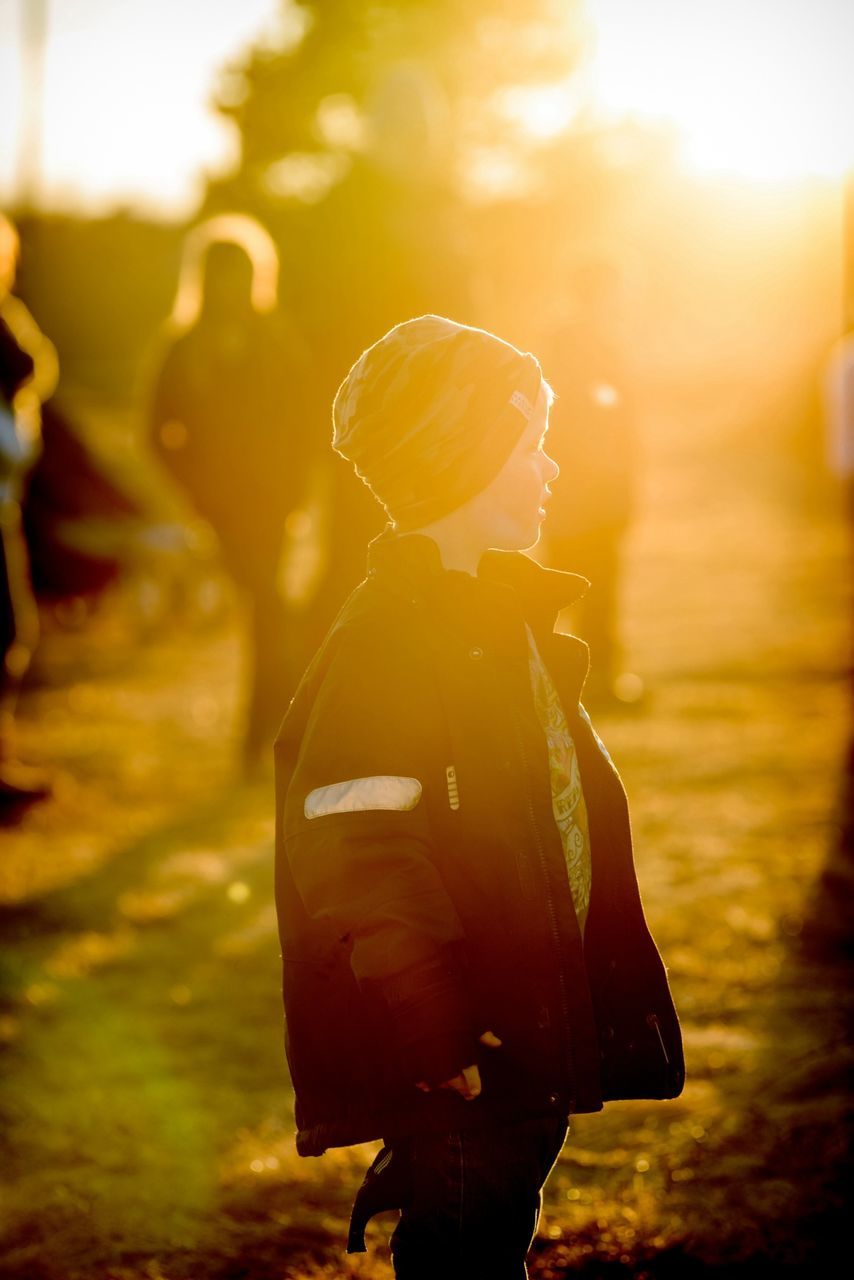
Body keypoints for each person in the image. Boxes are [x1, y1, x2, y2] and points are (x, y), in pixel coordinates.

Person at [273, 315, 684, 1277]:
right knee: (464, 1244)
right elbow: (359, 849)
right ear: (460, 455)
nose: (549, 467)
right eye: (528, 444)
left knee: (497, 1219)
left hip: (519, 1019)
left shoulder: (494, 615)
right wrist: (433, 1024)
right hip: (464, 1047)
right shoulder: (394, 636)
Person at [149, 214, 313, 775]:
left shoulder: (277, 341)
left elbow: (306, 423)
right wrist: (196, 488)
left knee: (271, 617)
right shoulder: (185, 347)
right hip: (222, 509)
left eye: (240, 271)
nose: (231, 284)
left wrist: (297, 490)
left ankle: (264, 742)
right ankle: (267, 743)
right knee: (271, 613)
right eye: (221, 273)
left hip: (274, 505)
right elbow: (157, 432)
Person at [0, 212, 57, 815]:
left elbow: (37, 366)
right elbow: (34, 367)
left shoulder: (5, 317)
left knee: (12, 632)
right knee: (8, 630)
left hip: (6, 502)